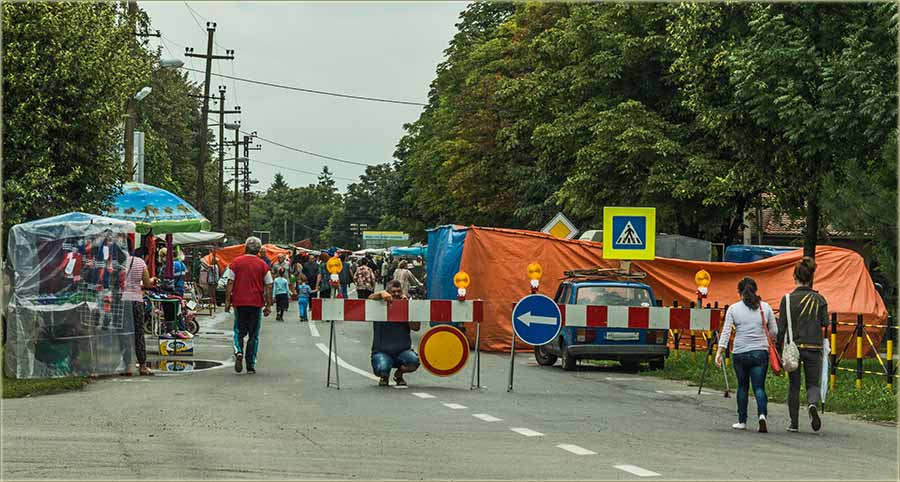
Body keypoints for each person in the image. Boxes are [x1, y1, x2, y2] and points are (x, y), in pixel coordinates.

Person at [715, 277, 778, 433]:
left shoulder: (733, 309)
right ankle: (762, 416)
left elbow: (726, 332)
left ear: (739, 292)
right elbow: (774, 331)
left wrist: (719, 351)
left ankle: (742, 421)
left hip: (740, 353)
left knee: (742, 387)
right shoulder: (765, 307)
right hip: (760, 352)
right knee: (759, 387)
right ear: (755, 290)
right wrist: (766, 338)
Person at [778, 256, 829, 433]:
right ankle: (812, 405)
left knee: (794, 385)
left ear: (795, 277)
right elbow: (825, 323)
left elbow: (781, 327)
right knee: (813, 383)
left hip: (794, 348)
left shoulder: (787, 299)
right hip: (814, 347)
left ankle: (794, 423)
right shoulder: (819, 299)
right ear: (811, 277)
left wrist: (777, 349)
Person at [225, 237, 274, 374]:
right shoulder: (263, 265)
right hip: (256, 303)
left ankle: (238, 351)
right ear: (258, 250)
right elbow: (269, 285)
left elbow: (230, 282)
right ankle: (250, 364)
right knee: (253, 335)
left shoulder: (236, 262)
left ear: (245, 247)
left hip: (239, 303)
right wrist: (268, 305)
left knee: (238, 331)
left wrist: (228, 301)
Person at [369, 280, 420, 386]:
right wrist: (381, 293)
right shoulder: (379, 306)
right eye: (393, 292)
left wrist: (406, 309)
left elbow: (416, 327)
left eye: (398, 291)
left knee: (414, 361)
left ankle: (399, 374)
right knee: (382, 368)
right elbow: (369, 299)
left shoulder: (406, 305)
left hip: (403, 352)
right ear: (388, 292)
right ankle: (384, 376)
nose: (396, 294)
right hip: (382, 352)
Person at [123, 245, 157, 376]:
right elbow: (147, 283)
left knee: (125, 333)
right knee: (139, 333)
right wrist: (153, 280)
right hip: (137, 301)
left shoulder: (120, 262)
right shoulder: (140, 262)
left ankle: (127, 366)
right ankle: (142, 366)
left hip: (123, 302)